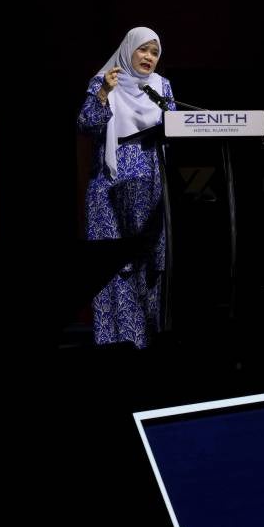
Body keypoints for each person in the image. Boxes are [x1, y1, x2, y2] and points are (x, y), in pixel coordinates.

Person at [77, 26, 175, 349]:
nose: (149, 58)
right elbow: (87, 124)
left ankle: (147, 345)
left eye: (155, 52)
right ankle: (113, 348)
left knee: (147, 264)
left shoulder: (162, 87)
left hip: (150, 183)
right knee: (112, 266)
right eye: (143, 50)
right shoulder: (106, 79)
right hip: (109, 186)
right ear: (128, 49)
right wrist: (105, 93)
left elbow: (175, 129)